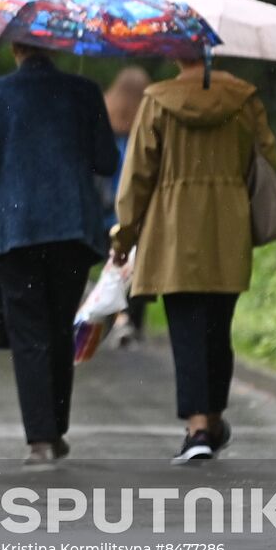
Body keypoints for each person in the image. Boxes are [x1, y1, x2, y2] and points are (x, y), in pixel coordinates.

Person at [110, 57, 276, 463]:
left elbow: (137, 176)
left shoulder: (157, 100)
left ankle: (198, 428)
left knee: (186, 330)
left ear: (173, 55)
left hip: (173, 228)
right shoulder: (243, 99)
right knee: (218, 328)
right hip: (228, 225)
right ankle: (215, 418)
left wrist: (125, 232)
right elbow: (268, 158)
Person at [0, 42, 118, 465]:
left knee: (28, 332)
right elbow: (106, 160)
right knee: (58, 328)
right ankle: (56, 426)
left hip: (17, 232)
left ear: (15, 47)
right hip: (71, 228)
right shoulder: (83, 91)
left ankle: (41, 439)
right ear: (55, 46)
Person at [101, 66, 153, 347]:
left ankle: (113, 317)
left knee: (113, 263)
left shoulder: (104, 123)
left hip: (108, 211)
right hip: (138, 209)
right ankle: (132, 319)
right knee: (138, 264)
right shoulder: (146, 128)